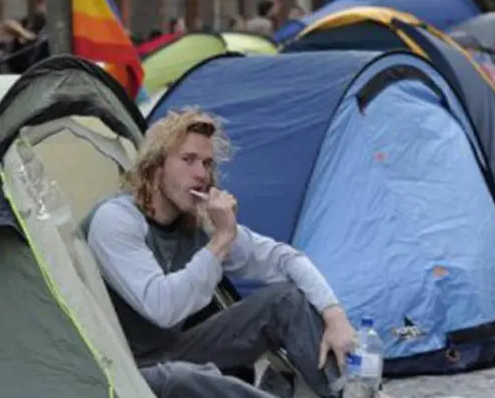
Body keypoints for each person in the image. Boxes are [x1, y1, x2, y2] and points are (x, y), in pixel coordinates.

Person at [86, 108, 364, 398]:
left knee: (284, 300)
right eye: (188, 160)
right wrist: (220, 240)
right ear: (156, 168)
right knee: (182, 378)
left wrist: (335, 317)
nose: (201, 174)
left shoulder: (196, 223)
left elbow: (285, 259)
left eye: (206, 163)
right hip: (118, 369)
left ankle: (350, 393)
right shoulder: (116, 220)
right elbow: (162, 308)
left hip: (172, 350)